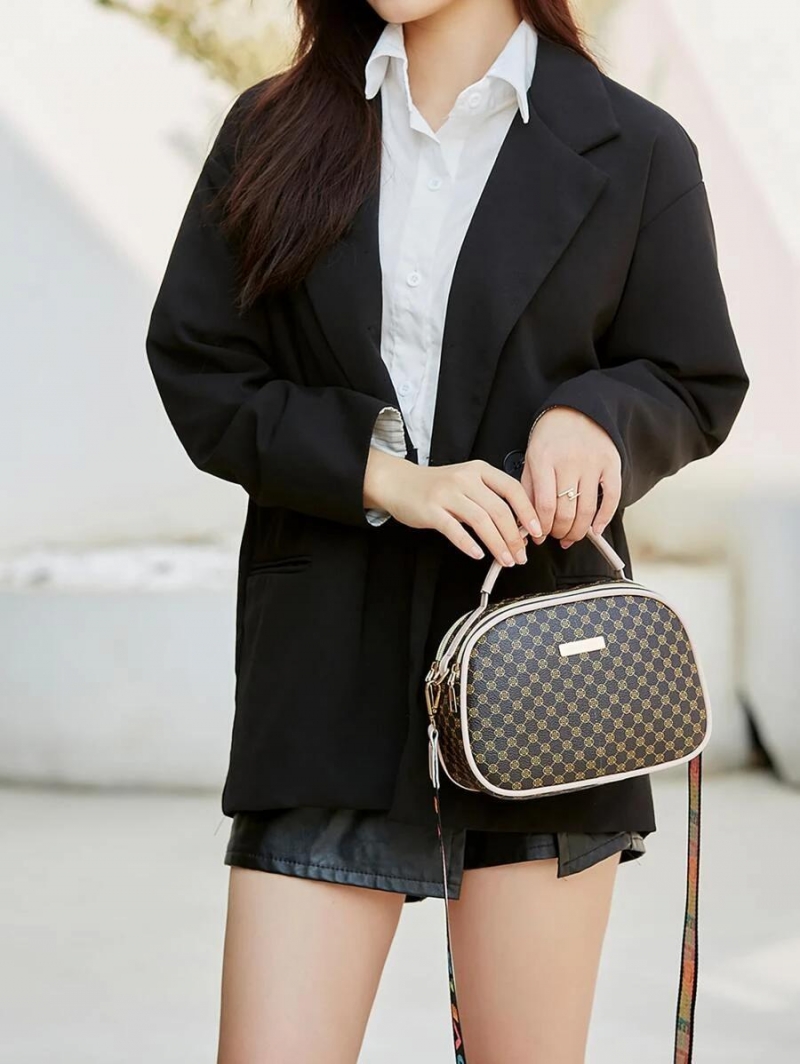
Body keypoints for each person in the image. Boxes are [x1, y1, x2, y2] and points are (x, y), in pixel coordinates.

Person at [145, 1, 749, 1061]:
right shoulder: (273, 128)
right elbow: (202, 367)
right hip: (326, 668)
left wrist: (594, 416)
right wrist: (384, 475)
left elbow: (691, 376)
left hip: (543, 670)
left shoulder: (637, 148)